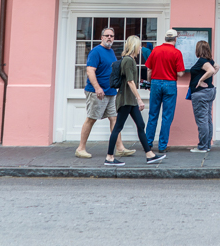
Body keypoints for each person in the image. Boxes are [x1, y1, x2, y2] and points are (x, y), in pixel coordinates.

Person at [104, 36, 166, 166]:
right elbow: (130, 82)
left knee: (141, 126)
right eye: (139, 46)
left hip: (130, 100)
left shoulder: (130, 60)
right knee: (117, 127)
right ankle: (109, 157)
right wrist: (140, 99)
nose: (140, 49)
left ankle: (149, 155)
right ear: (134, 46)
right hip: (126, 100)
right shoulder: (128, 61)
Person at [76, 27, 133, 158]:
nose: (109, 38)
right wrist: (97, 88)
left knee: (114, 119)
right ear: (101, 37)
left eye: (112, 36)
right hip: (97, 93)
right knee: (91, 119)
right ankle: (80, 148)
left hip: (111, 92)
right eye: (107, 35)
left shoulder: (111, 51)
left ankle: (120, 148)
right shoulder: (96, 52)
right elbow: (90, 71)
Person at [144, 28, 185, 153]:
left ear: (165, 38)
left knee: (153, 115)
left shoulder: (155, 50)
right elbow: (180, 73)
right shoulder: (176, 53)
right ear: (175, 39)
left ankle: (148, 143)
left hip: (155, 82)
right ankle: (162, 146)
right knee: (167, 116)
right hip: (170, 84)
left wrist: (150, 83)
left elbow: (149, 70)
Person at [188, 40, 219, 153]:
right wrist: (209, 76)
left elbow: (211, 70)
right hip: (209, 91)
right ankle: (207, 144)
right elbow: (217, 67)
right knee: (207, 119)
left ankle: (202, 146)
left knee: (202, 120)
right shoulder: (209, 60)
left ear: (198, 50)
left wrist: (201, 79)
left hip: (201, 93)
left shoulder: (202, 61)